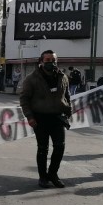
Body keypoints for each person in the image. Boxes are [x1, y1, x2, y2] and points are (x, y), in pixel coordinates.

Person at [19, 50, 71, 189]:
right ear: (41, 61)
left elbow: (67, 95)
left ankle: (53, 174)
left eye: (53, 60)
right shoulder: (32, 78)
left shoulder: (62, 76)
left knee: (60, 147)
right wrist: (29, 117)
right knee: (43, 149)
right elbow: (24, 99)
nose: (50, 62)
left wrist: (68, 111)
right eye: (47, 60)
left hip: (58, 118)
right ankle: (43, 177)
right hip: (39, 118)